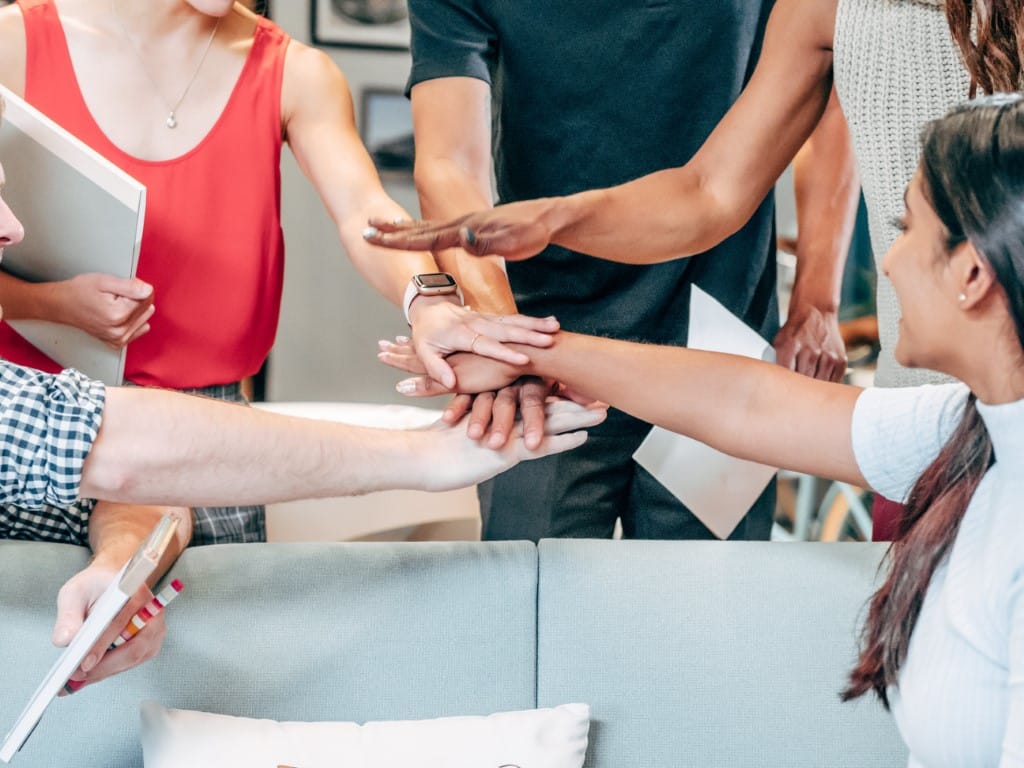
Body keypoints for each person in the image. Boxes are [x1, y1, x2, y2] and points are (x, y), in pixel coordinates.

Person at [388, 95, 1024, 765]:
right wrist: (523, 349)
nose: (887, 261)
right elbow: (747, 403)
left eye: (904, 228)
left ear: (974, 272)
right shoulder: (966, 426)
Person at [366, 0, 1022, 541]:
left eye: (907, 232)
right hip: (554, 333)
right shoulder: (916, 430)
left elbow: (822, 108)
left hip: (728, 328)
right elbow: (707, 193)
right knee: (536, 598)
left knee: (710, 612)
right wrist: (513, 325)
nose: (890, 258)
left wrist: (817, 294)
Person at [0, 0, 555, 548]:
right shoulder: (13, 42)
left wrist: (429, 304)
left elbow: (363, 208)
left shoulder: (296, 72)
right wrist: (45, 303)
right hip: (33, 427)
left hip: (213, 443)